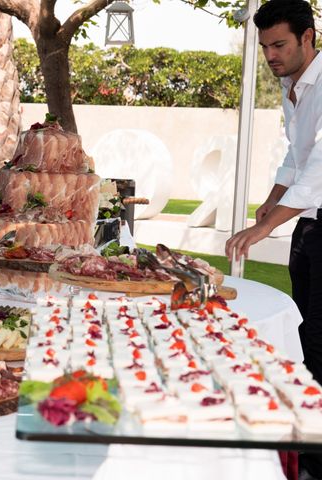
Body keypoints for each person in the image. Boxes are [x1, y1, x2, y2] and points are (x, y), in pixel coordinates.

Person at [224, 1, 321, 475]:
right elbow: (295, 158)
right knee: (305, 337)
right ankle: (302, 451)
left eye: (279, 44)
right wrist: (270, 199)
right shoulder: (291, 87)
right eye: (265, 47)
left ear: (309, 37)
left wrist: (265, 225)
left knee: (321, 346)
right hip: (312, 226)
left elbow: (320, 171)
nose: (271, 56)